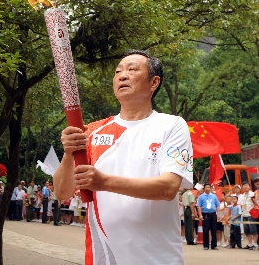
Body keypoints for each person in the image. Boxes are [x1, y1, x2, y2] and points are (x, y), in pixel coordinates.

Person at [54, 50, 193, 265]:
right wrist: (69, 152)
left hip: (158, 259)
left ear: (153, 82)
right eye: (118, 71)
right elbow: (62, 192)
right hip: (105, 258)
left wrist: (104, 182)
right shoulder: (92, 132)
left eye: (132, 69)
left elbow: (168, 188)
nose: (122, 75)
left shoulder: (171, 125)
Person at [197, 183, 220, 250]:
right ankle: (206, 245)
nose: (207, 188)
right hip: (205, 215)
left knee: (214, 230)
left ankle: (214, 245)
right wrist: (200, 215)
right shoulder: (201, 197)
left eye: (208, 187)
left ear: (210, 188)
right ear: (204, 188)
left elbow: (217, 205)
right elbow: (199, 206)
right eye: (206, 187)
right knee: (206, 230)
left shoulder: (214, 196)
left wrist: (218, 214)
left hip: (213, 214)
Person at [240, 181, 258, 249]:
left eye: (246, 185)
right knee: (247, 230)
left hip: (251, 215)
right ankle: (250, 244)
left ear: (249, 186)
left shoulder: (253, 194)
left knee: (253, 230)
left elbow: (256, 203)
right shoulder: (243, 195)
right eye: (244, 185)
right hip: (244, 214)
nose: (245, 187)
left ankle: (255, 244)